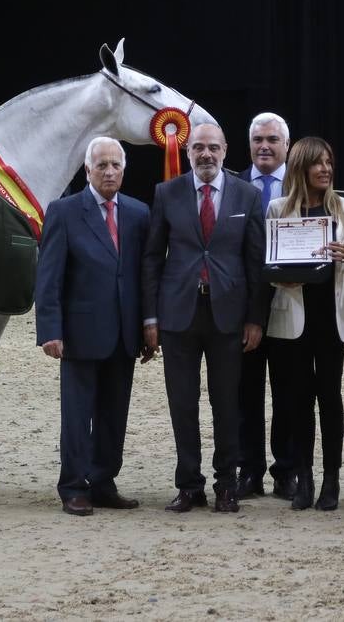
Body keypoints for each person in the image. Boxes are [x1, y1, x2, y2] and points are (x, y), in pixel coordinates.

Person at [143, 122, 267, 514]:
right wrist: (150, 317)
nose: (206, 154)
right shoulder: (167, 193)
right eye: (198, 147)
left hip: (228, 317)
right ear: (187, 152)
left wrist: (255, 319)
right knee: (183, 403)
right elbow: (151, 258)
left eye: (213, 147)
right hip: (178, 316)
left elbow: (256, 262)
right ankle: (189, 485)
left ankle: (226, 485)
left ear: (226, 150)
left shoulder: (247, 194)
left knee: (227, 404)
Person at [35, 137, 153, 516]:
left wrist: (149, 326)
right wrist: (50, 329)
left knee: (113, 415)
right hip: (79, 335)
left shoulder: (138, 213)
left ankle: (103, 482)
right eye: (101, 165)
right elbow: (48, 277)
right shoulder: (64, 212)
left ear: (124, 169)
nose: (109, 171)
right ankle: (73, 485)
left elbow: (144, 275)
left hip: (124, 334)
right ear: (87, 170)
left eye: (115, 165)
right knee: (77, 415)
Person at [264, 136, 344, 511]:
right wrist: (280, 278)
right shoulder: (277, 208)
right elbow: (270, 264)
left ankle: (332, 480)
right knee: (297, 400)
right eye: (318, 163)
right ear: (301, 167)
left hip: (331, 316)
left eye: (329, 162)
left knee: (330, 398)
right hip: (292, 316)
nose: (325, 169)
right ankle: (303, 479)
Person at [235, 112, 294, 500]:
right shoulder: (233, 186)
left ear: (286, 145)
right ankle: (250, 471)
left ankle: (286, 471)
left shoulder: (306, 184)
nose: (264, 146)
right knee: (245, 393)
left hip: (292, 303)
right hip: (242, 309)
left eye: (272, 139)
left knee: (289, 391)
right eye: (258, 139)